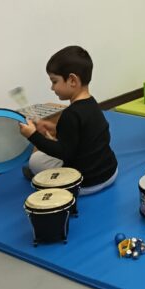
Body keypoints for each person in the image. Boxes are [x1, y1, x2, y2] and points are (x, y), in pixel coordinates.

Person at [19, 46, 118, 195]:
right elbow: (84, 136)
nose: (52, 88)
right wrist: (54, 128)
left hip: (83, 184)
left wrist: (32, 135)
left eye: (54, 81)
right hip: (110, 173)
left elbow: (63, 153)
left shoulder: (70, 114)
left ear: (72, 80)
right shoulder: (92, 104)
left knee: (35, 160)